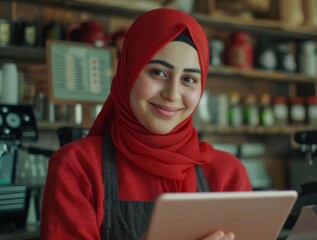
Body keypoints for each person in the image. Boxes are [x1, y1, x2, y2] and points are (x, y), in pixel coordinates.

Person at [41, 8, 252, 240]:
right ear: (128, 73)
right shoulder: (76, 167)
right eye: (158, 72)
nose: (172, 94)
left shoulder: (228, 175)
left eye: (189, 79)